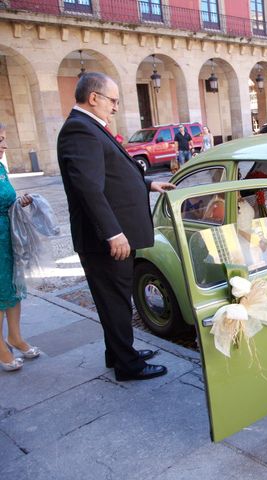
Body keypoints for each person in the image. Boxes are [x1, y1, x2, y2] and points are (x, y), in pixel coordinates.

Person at [57, 72, 175, 381]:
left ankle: (120, 353)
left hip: (111, 235)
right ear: (93, 97)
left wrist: (148, 184)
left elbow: (112, 175)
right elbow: (89, 189)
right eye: (113, 100)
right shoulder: (80, 131)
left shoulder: (90, 127)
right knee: (115, 302)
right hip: (105, 240)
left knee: (115, 301)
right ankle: (128, 365)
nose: (116, 107)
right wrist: (113, 232)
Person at [0, 123, 39, 372]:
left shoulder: (1, 168)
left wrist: (19, 201)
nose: (4, 145)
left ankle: (15, 336)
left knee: (14, 287)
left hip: (7, 236)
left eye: (3, 139)